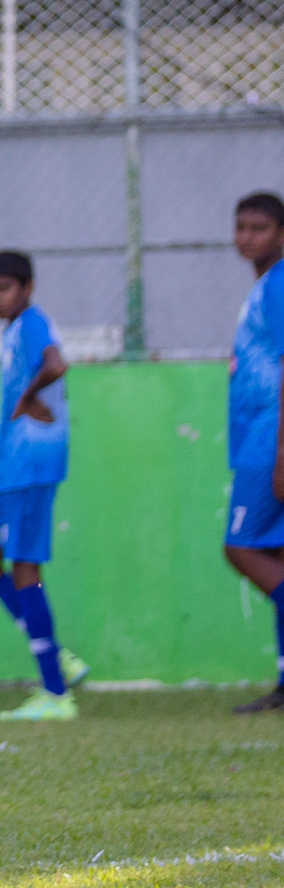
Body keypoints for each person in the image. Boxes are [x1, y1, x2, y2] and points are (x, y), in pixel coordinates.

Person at [0, 250, 90, 722]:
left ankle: (56, 692)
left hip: (31, 464)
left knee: (25, 569)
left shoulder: (34, 322)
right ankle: (55, 655)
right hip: (14, 468)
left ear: (27, 288)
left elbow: (57, 365)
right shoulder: (16, 329)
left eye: (5, 289)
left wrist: (26, 395)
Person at [224, 193, 284, 714]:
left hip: (271, 440)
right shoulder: (264, 287)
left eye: (259, 228)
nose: (247, 237)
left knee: (240, 548)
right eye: (241, 227)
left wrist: (283, 451)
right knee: (278, 554)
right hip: (258, 435)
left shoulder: (281, 283)